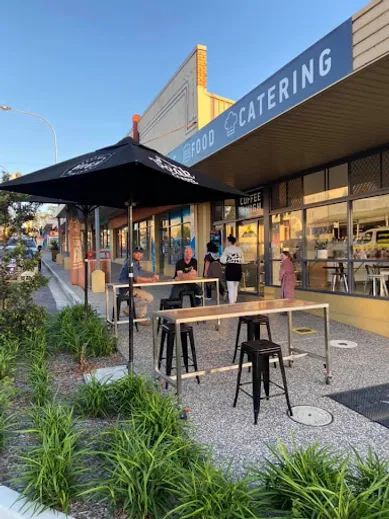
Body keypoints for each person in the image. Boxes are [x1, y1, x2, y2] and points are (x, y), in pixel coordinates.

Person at [119, 246, 159, 326]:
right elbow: (137, 279)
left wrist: (149, 280)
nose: (139, 255)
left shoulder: (135, 262)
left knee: (144, 296)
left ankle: (140, 316)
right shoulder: (131, 263)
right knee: (149, 297)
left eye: (140, 253)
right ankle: (129, 310)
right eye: (136, 253)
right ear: (132, 253)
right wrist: (151, 279)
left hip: (132, 287)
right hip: (127, 289)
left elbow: (137, 279)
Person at [220, 235, 243, 304]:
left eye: (226, 241)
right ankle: (234, 301)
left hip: (230, 268)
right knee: (235, 287)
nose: (226, 243)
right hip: (238, 268)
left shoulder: (227, 249)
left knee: (230, 288)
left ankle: (231, 304)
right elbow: (242, 260)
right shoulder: (239, 249)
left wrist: (227, 260)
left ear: (230, 242)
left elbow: (222, 260)